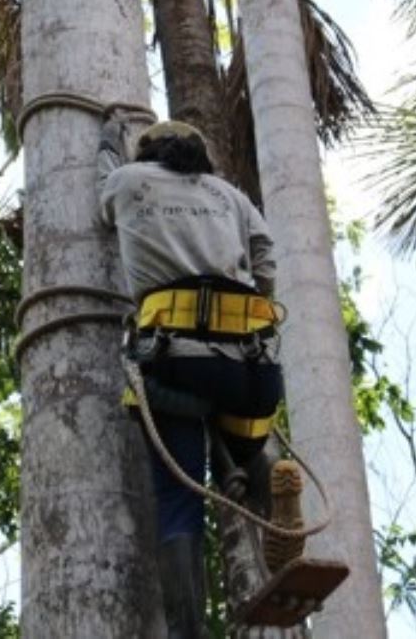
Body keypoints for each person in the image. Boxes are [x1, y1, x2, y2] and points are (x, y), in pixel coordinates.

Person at [98, 117, 302, 638]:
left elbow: (103, 190)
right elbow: (266, 258)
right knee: (250, 446)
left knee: (177, 499)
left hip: (173, 363)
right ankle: (274, 501)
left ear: (148, 153)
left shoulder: (128, 181)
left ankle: (188, 631)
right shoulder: (229, 195)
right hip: (246, 369)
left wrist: (106, 143)